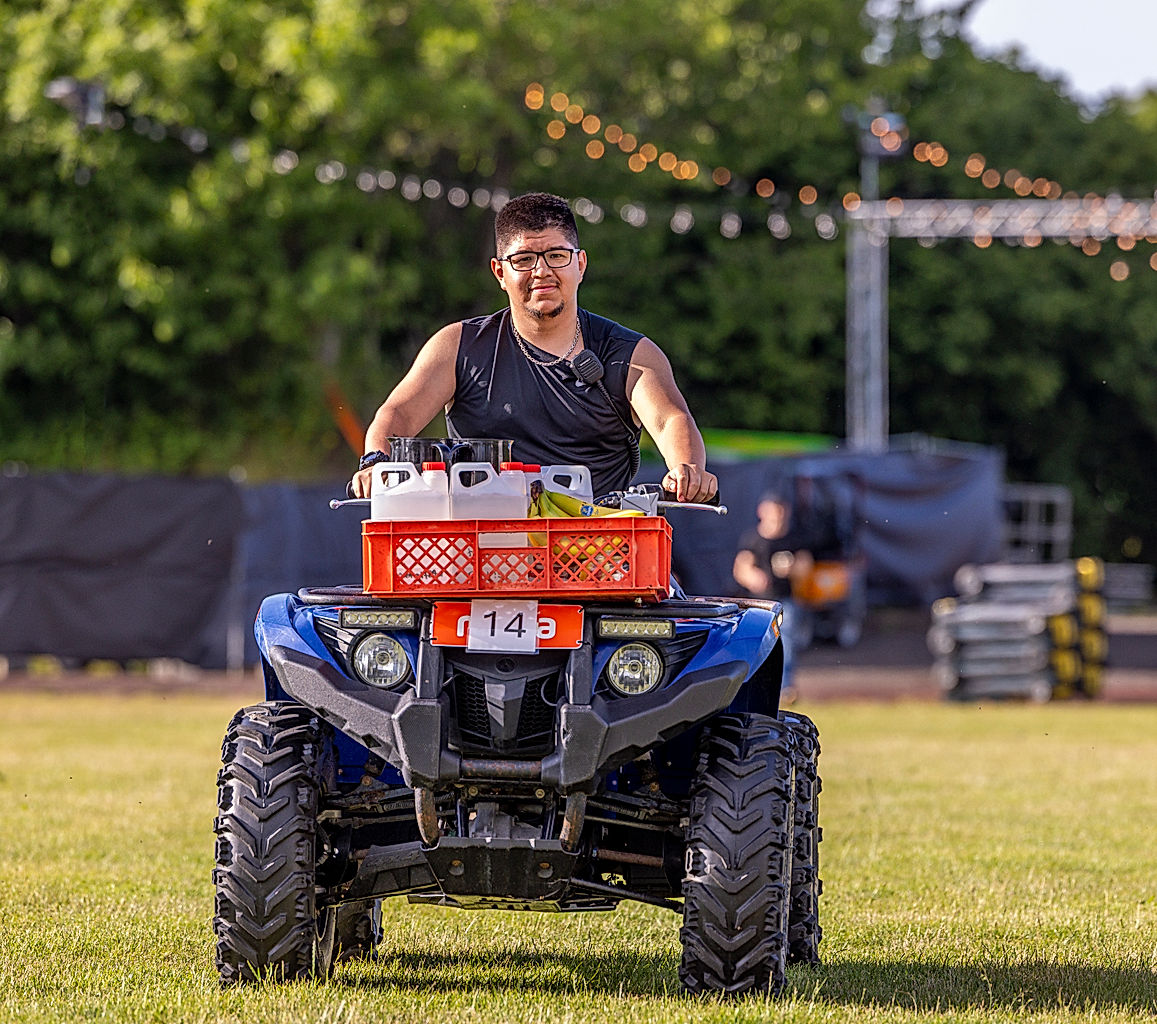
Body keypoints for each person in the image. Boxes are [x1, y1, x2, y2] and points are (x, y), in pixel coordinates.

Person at [349, 192, 717, 503]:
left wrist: (688, 470)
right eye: (524, 260)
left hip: (602, 561)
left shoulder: (631, 354)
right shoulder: (458, 346)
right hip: (482, 559)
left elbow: (671, 419)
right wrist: (374, 461)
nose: (542, 272)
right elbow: (397, 414)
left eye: (557, 256)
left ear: (580, 264)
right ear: (499, 273)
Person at [732, 489, 815, 686]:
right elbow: (741, 567)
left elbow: (807, 564)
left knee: (786, 644)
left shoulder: (793, 538)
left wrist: (794, 567)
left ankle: (784, 688)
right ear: (762, 512)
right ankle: (754, 685)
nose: (776, 517)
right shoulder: (753, 539)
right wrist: (753, 577)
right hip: (758, 604)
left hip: (786, 601)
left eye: (779, 511)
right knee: (757, 645)